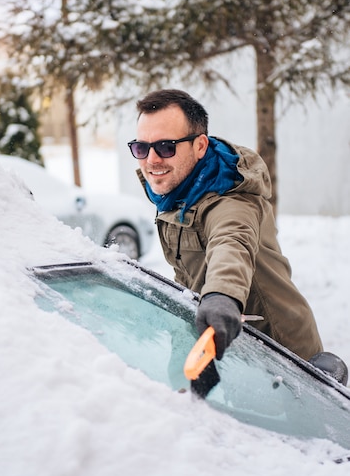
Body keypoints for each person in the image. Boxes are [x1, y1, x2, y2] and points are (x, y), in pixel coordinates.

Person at [127, 88, 323, 363]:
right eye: (141, 147)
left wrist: (221, 295)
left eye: (165, 147)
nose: (151, 160)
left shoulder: (232, 197)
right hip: (227, 344)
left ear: (200, 146)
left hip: (284, 357)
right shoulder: (176, 193)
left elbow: (232, 242)